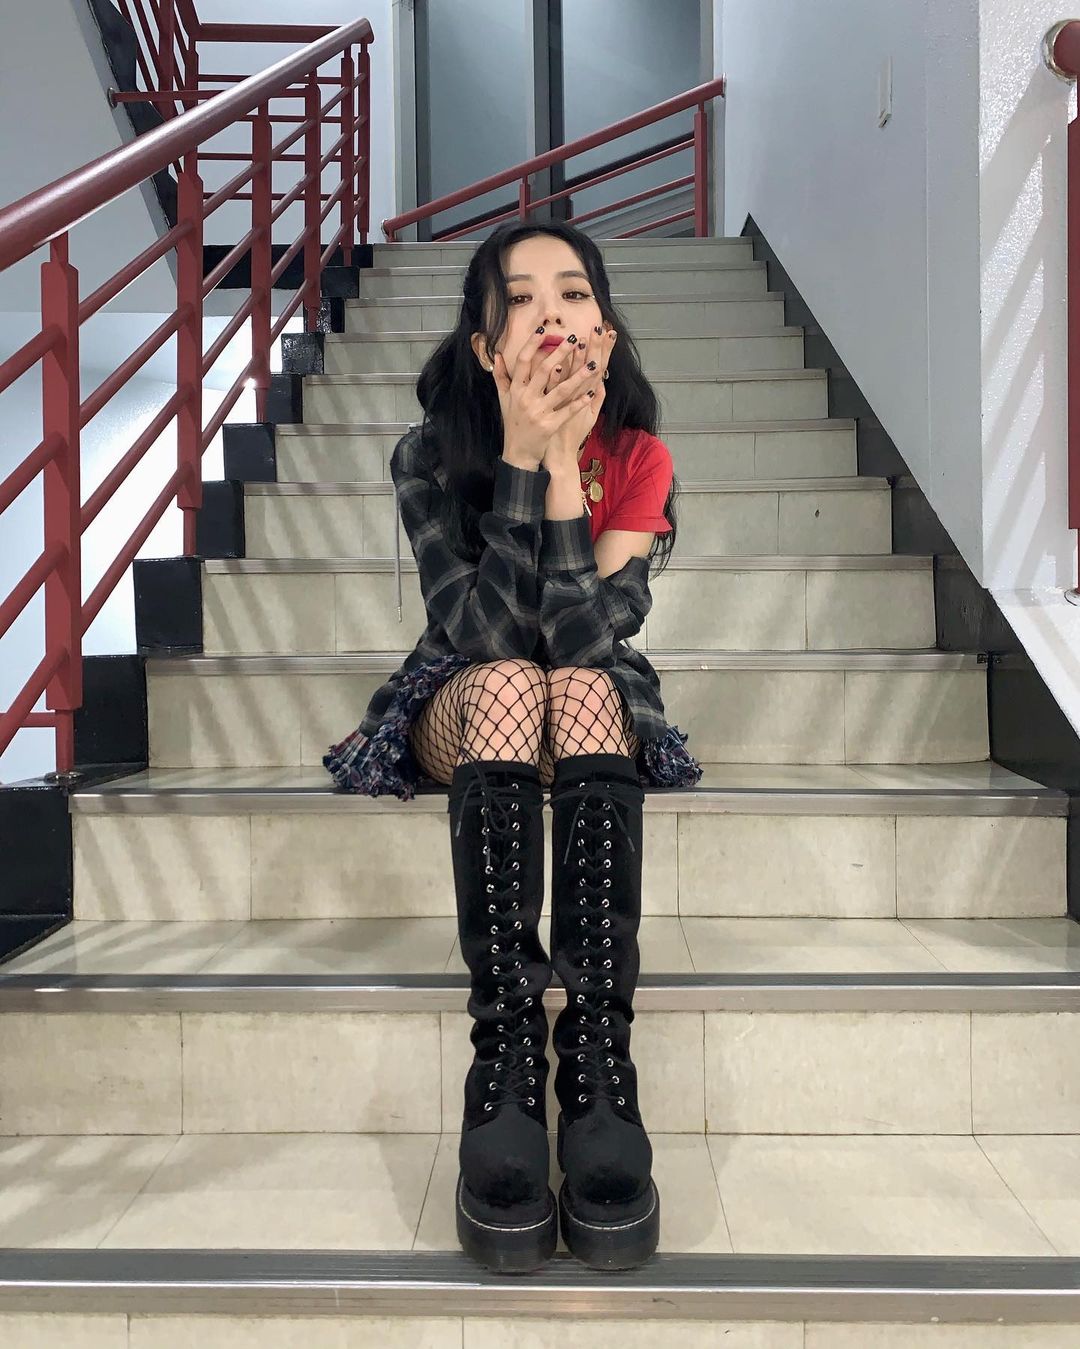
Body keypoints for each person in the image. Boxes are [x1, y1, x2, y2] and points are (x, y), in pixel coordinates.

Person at [325, 221, 703, 1273]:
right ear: (486, 342)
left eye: (573, 294)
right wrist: (521, 459)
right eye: (521, 297)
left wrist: (566, 466)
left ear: (605, 330)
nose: (551, 316)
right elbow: (484, 633)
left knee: (574, 682)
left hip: (586, 703)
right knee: (508, 679)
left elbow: (587, 639)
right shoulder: (427, 453)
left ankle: (596, 1061)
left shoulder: (639, 458)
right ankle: (505, 1057)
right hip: (465, 692)